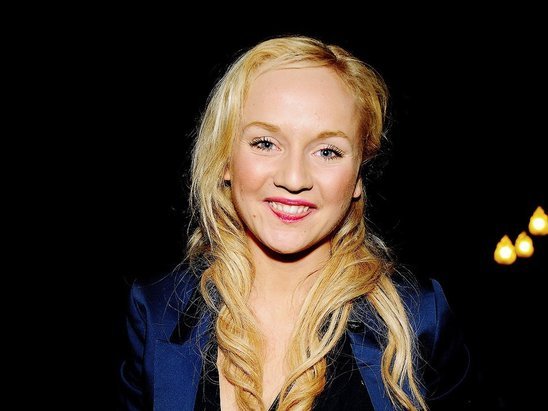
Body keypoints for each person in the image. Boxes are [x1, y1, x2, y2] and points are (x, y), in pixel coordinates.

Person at [119, 36, 470, 410]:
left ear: (358, 176)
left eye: (327, 151)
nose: (294, 178)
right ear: (225, 160)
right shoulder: (156, 313)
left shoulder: (420, 320)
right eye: (265, 143)